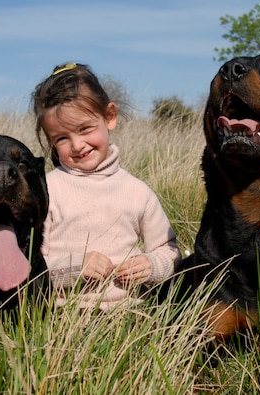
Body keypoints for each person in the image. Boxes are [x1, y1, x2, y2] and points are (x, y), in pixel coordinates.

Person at [31, 62, 182, 310]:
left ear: (109, 117)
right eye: (62, 138)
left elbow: (170, 251)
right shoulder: (47, 191)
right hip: (61, 318)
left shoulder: (137, 191)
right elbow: (32, 266)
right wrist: (74, 268)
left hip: (130, 317)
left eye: (85, 129)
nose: (78, 145)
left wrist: (151, 265)